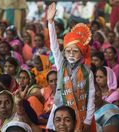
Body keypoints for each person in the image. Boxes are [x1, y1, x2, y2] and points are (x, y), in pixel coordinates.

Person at [47, 3, 95, 131]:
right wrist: (50, 22)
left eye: (75, 51)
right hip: (60, 111)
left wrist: (88, 120)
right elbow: (54, 46)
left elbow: (91, 96)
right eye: (68, 51)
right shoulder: (61, 63)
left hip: (79, 113)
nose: (71, 54)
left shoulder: (87, 71)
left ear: (82, 53)